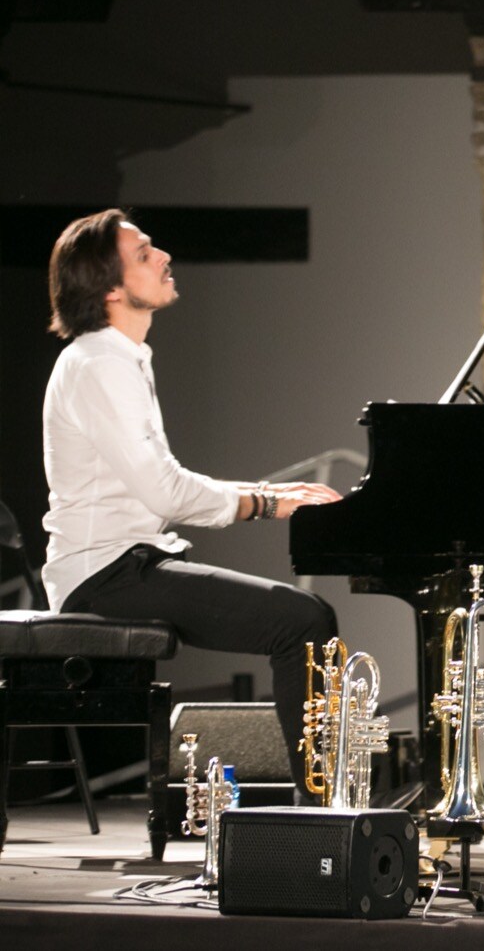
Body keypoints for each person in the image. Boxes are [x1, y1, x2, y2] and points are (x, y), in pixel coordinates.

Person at [40, 208, 343, 800]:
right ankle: (322, 811)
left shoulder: (115, 358)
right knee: (303, 621)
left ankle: (323, 802)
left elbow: (163, 479)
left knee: (306, 620)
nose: (163, 257)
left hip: (126, 565)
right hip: (104, 576)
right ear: (108, 287)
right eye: (145, 253)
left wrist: (271, 492)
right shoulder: (99, 363)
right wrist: (266, 504)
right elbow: (164, 491)